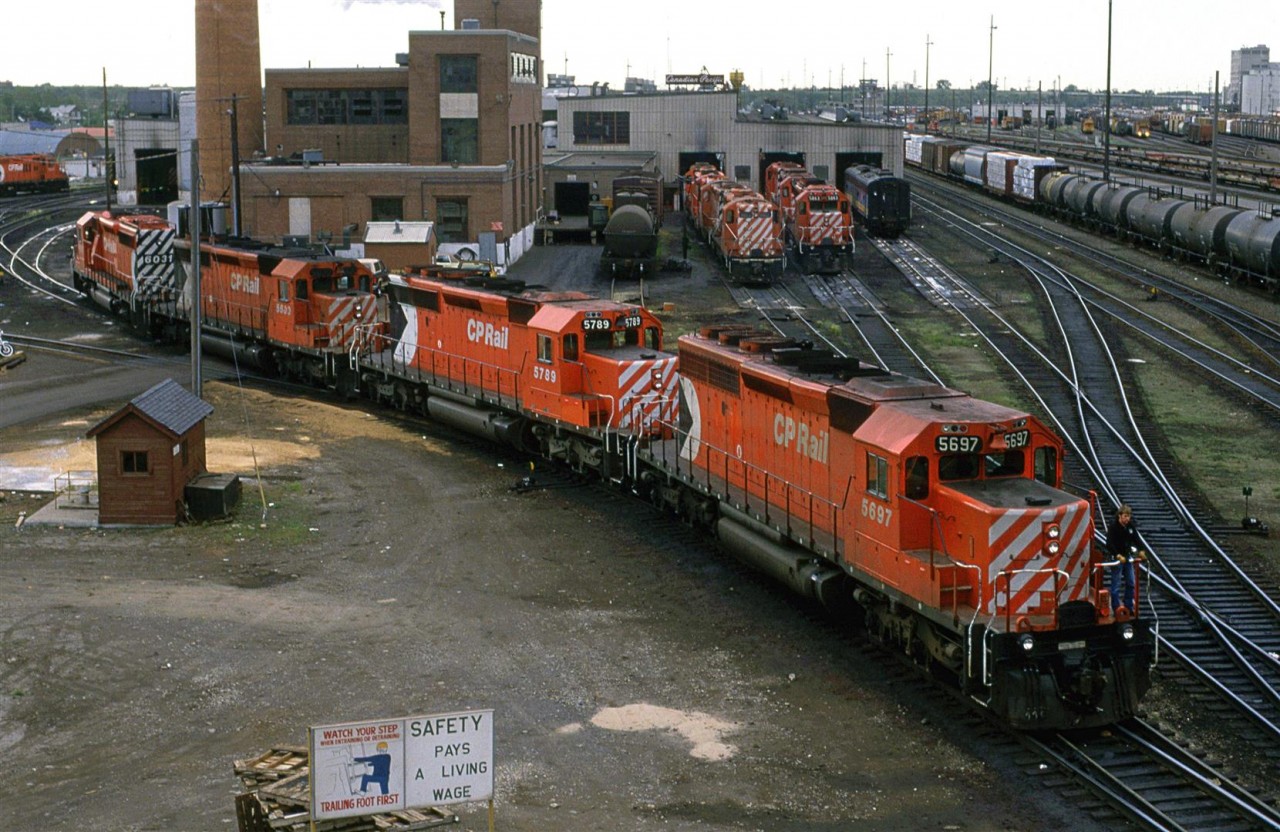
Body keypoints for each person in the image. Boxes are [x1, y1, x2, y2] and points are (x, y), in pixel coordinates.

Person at [1106, 504, 1145, 614]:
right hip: (1117, 559)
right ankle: (1116, 608)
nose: (1127, 519)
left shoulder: (1130, 527)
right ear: (1120, 516)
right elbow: (1109, 543)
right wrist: (1117, 555)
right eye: (1125, 516)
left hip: (1127, 558)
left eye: (1129, 516)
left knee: (1131, 583)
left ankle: (1128, 606)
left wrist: (1141, 550)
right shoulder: (1113, 527)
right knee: (1116, 586)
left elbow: (1136, 539)